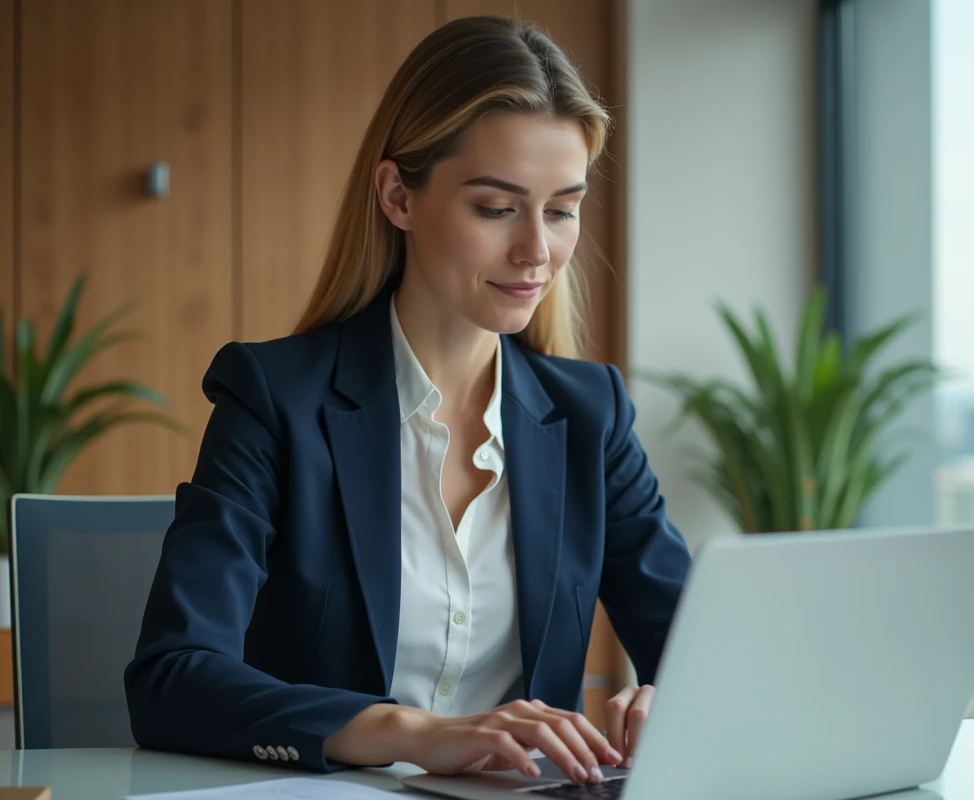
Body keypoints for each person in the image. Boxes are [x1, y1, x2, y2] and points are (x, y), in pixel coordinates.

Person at [123, 14, 691, 786]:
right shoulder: (274, 401)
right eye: (496, 208)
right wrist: (413, 733)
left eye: (561, 209)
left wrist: (675, 699)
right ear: (398, 195)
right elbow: (172, 679)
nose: (537, 251)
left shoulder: (590, 417)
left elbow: (699, 651)